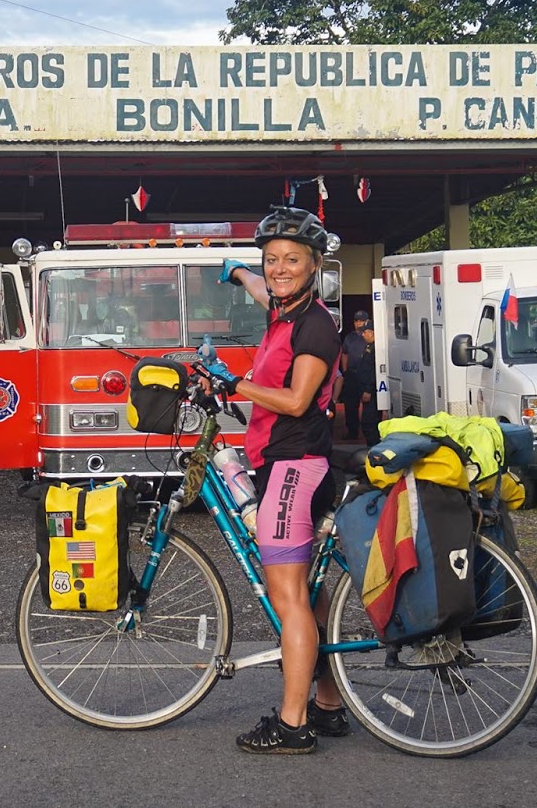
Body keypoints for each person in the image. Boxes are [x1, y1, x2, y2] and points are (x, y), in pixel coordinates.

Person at [218, 206, 349, 754]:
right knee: (310, 592)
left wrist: (234, 384)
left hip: (296, 468)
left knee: (288, 597)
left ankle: (293, 725)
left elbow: (296, 401)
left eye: (292, 259)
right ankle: (328, 704)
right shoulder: (283, 309)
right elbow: (261, 288)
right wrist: (236, 272)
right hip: (285, 464)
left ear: (315, 264)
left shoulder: (315, 326)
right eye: (271, 259)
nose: (279, 269)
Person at [343, 322, 379, 446]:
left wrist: (368, 389)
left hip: (370, 390)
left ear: (372, 333)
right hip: (362, 386)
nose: (363, 335)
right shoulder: (369, 347)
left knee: (369, 423)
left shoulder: (375, 349)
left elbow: (372, 371)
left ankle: (373, 449)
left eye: (365, 332)